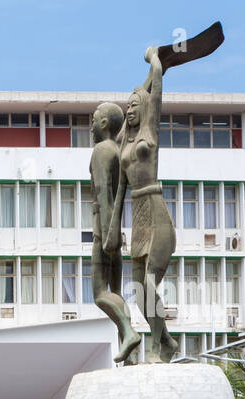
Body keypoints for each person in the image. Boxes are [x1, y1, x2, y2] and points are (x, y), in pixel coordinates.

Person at [118, 46, 179, 363]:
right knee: (139, 289)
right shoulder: (124, 142)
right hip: (137, 218)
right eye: (126, 106)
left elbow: (153, 89)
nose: (129, 110)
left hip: (156, 213)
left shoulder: (148, 133)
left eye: (134, 106)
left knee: (150, 283)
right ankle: (167, 340)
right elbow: (142, 92)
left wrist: (155, 59)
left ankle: (156, 346)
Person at [89, 101, 140, 364]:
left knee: (100, 293)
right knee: (116, 293)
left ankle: (129, 331)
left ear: (105, 124)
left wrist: (105, 233)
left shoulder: (100, 150)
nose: (91, 125)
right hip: (117, 230)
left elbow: (103, 194)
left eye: (94, 119)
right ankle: (128, 351)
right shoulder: (118, 151)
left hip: (104, 229)